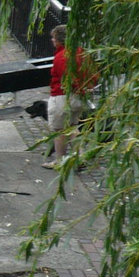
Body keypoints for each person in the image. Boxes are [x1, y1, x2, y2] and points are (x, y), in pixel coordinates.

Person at [45, 24, 97, 169]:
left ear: (60, 40)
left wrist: (77, 88)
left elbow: (67, 77)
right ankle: (78, 157)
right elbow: (93, 73)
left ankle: (60, 160)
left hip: (63, 97)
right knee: (73, 127)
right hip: (80, 97)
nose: (52, 41)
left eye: (53, 38)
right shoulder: (81, 52)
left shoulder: (62, 57)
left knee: (59, 130)